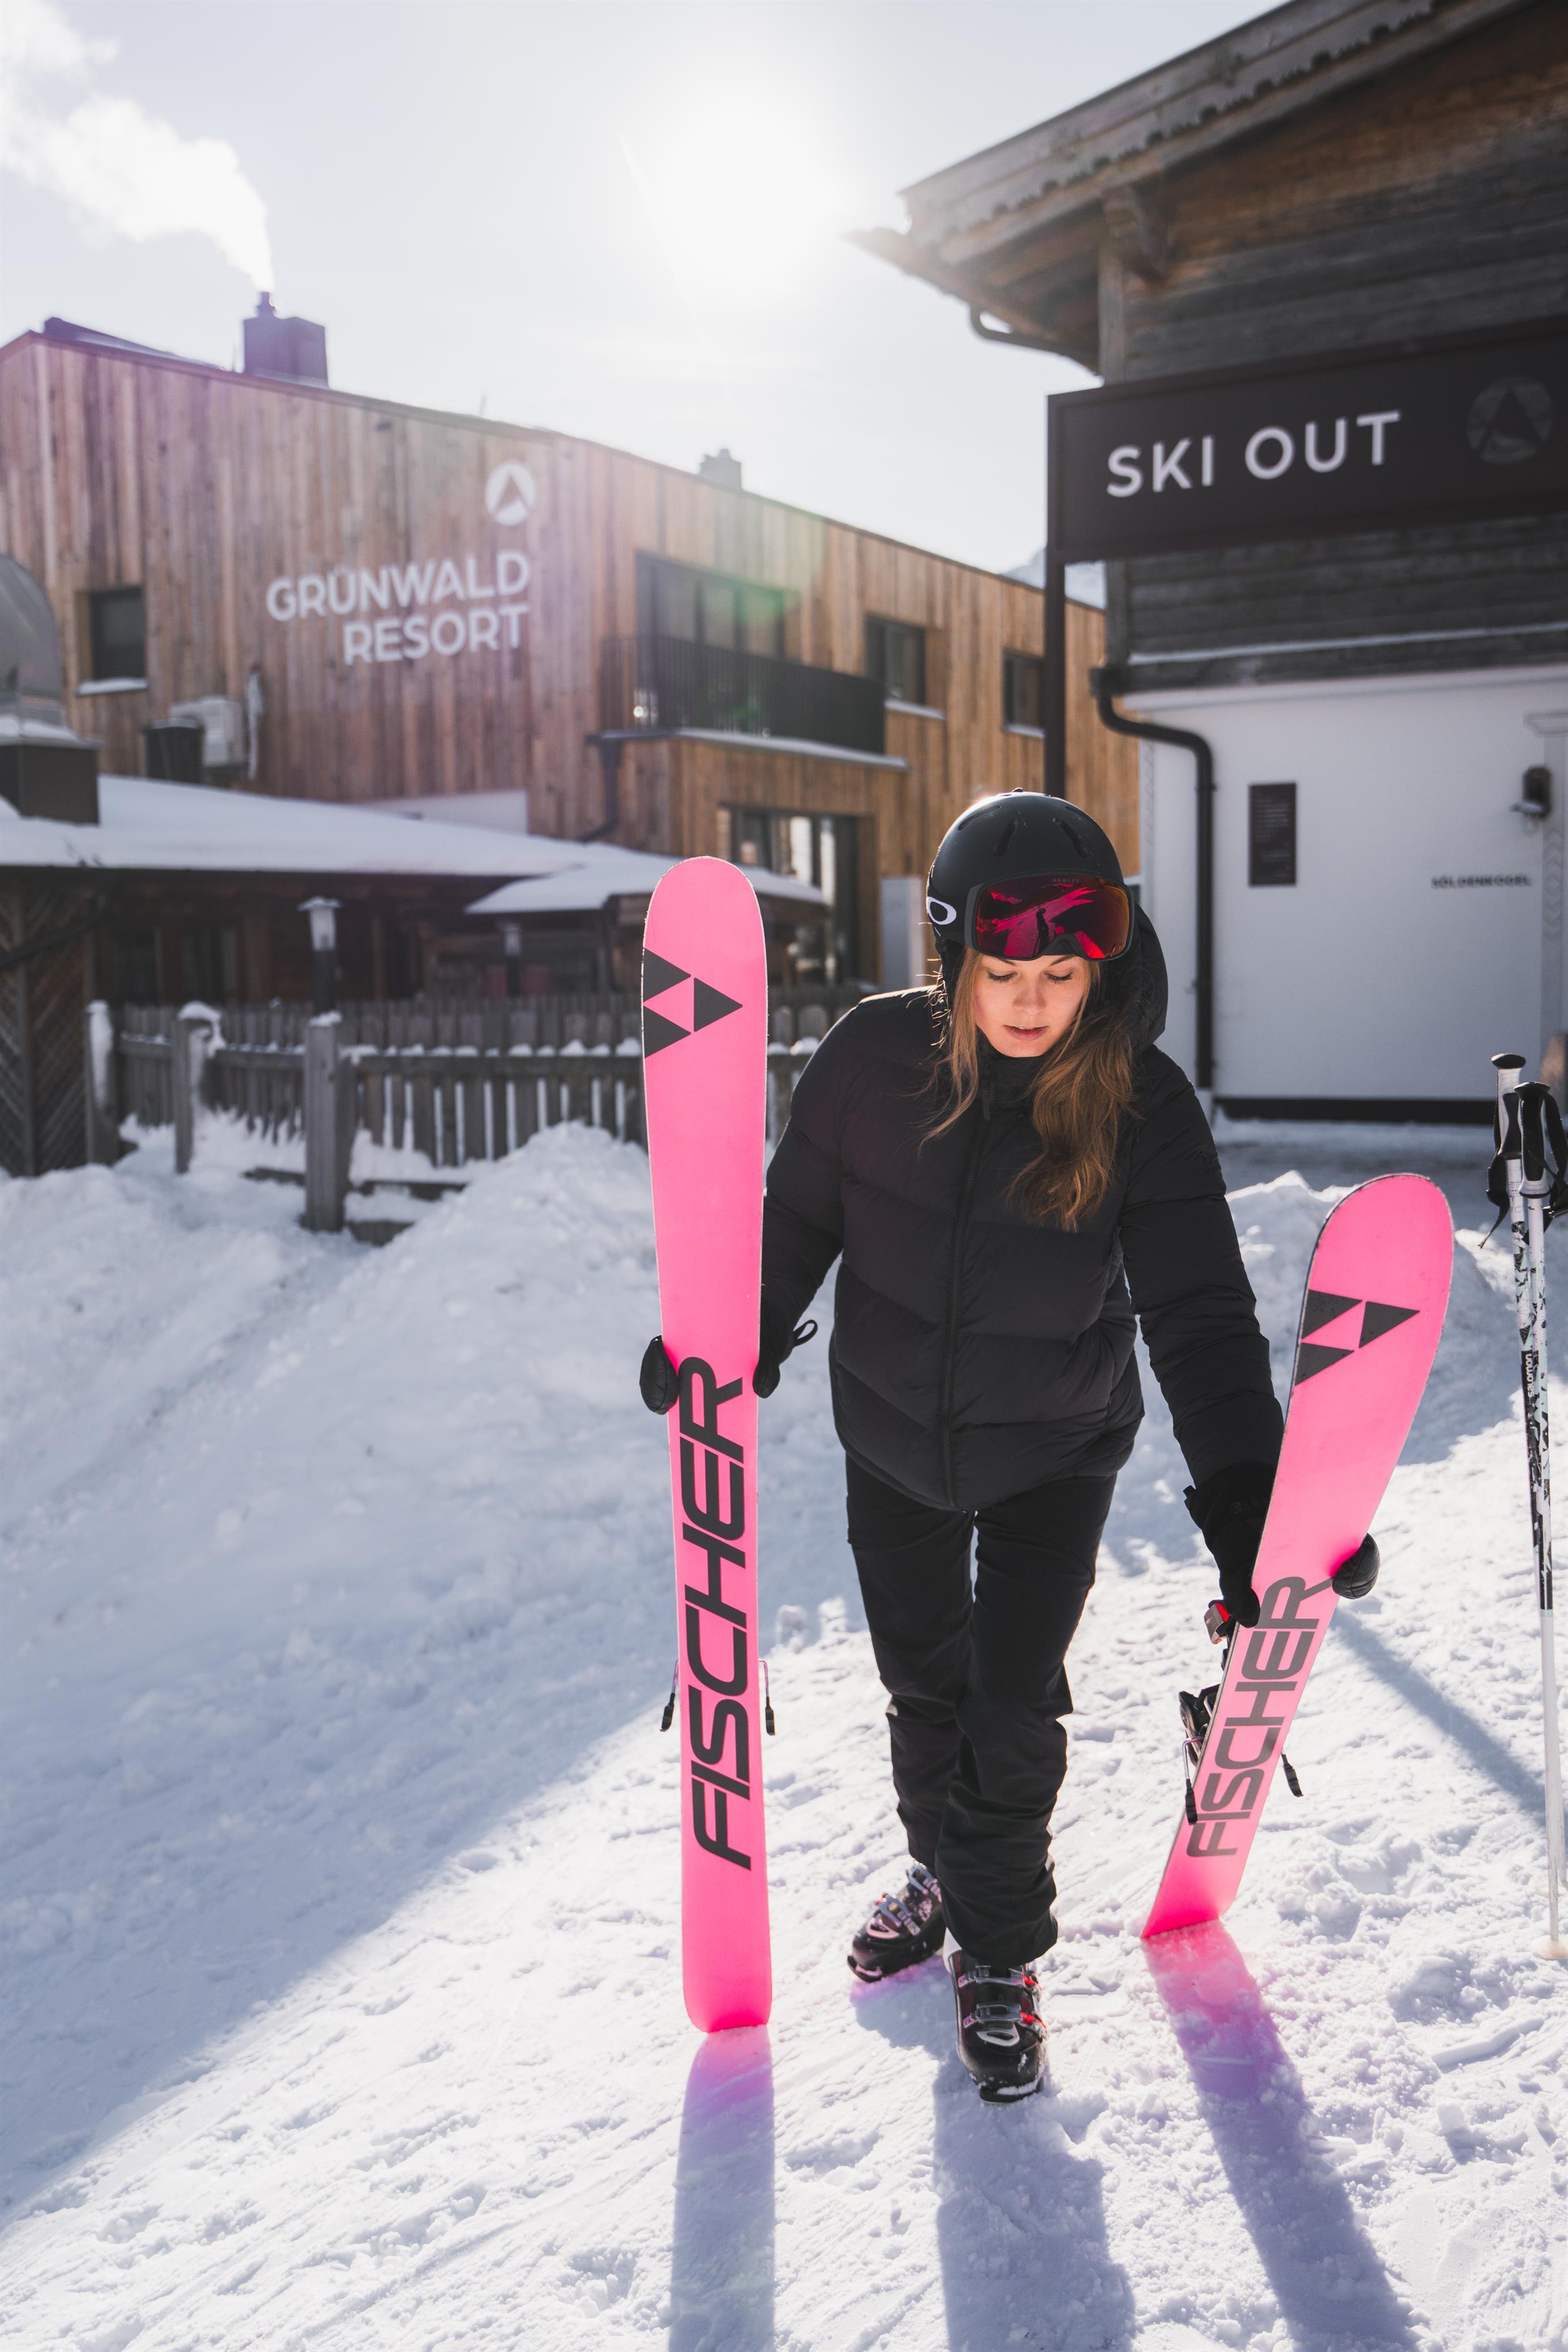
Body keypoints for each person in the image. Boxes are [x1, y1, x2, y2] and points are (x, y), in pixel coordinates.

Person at [642, 792, 1376, 2102]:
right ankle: (942, 1866)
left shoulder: (1140, 1104)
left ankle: (997, 1947)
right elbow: (796, 1215)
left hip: (1053, 1443)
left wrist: (1252, 1503)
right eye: (1002, 972)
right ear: (953, 958)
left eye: (1061, 975)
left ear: (1099, 969)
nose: (1032, 1001)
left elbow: (1199, 1315)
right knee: (923, 1686)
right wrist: (728, 1336)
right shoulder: (872, 1060)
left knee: (1009, 1699)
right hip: (889, 1434)